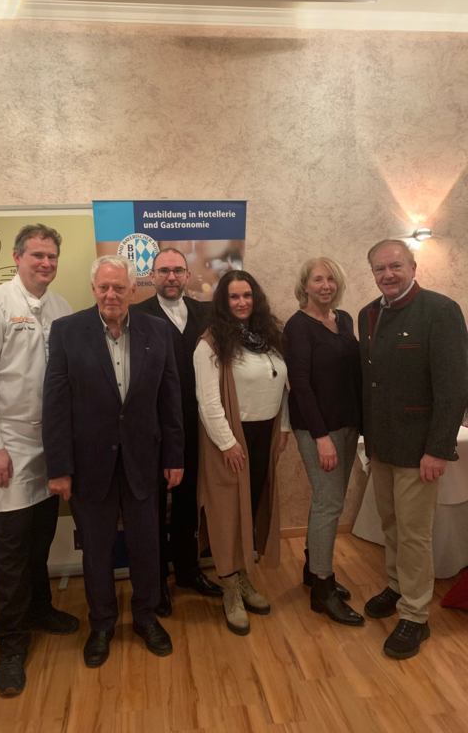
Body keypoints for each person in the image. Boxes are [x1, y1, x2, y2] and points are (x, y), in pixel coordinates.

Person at [42, 255, 184, 668]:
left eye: (119, 288)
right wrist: (59, 467)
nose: (111, 295)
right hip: (89, 464)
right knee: (97, 551)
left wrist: (175, 455)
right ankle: (102, 624)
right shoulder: (67, 331)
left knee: (146, 546)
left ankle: (146, 617)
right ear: (93, 289)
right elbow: (55, 404)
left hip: (143, 459)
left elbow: (169, 397)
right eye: (103, 287)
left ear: (133, 290)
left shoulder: (157, 330)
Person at [0, 224, 79, 698]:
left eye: (52, 256)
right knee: (10, 550)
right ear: (17, 257)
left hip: (50, 444)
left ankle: (39, 609)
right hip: (8, 443)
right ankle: (11, 645)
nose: (46, 263)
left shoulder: (62, 308)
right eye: (37, 255)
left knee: (40, 539)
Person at [359, 239, 468, 659]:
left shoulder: (440, 310)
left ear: (413, 267)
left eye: (396, 266)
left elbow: (454, 387)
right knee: (390, 524)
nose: (388, 274)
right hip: (381, 444)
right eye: (380, 268)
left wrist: (438, 449)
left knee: (415, 533)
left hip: (419, 448)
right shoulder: (368, 313)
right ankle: (397, 585)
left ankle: (415, 615)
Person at [194, 270, 289, 636]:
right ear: (223, 301)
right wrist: (226, 442)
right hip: (231, 440)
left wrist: (283, 429)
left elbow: (284, 386)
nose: (242, 302)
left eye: (247, 295)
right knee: (226, 515)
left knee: (249, 509)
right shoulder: (211, 343)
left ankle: (244, 576)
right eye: (234, 296)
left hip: (264, 436)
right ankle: (230, 588)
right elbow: (208, 401)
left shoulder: (269, 338)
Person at [131, 248, 223, 617]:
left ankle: (188, 571)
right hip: (152, 430)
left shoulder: (206, 313)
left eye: (178, 271)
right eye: (164, 271)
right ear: (152, 276)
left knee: (187, 504)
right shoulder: (137, 316)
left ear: (187, 275)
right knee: (153, 509)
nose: (171, 277)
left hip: (197, 425)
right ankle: (156, 583)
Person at [284, 258, 364, 627]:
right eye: (317, 279)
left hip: (347, 425)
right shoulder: (298, 326)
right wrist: (321, 438)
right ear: (305, 285)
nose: (325, 285)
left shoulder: (344, 320)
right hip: (319, 430)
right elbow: (300, 386)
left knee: (328, 501)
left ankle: (311, 568)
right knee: (329, 503)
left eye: (331, 278)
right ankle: (322, 586)